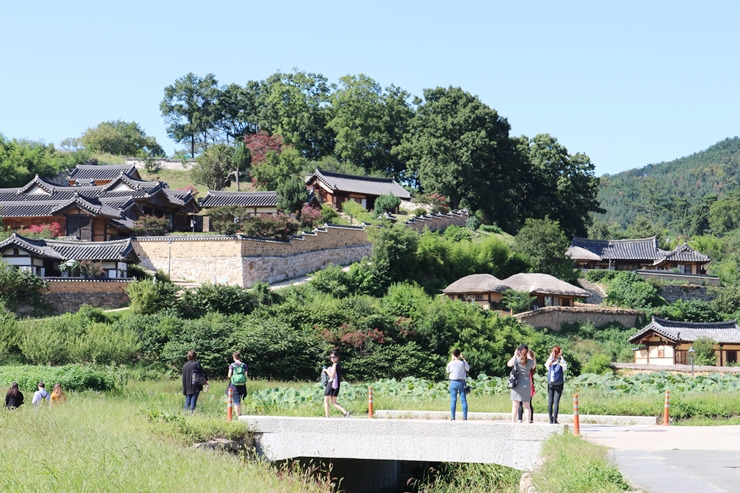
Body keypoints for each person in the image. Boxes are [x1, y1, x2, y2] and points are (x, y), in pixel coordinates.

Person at [507, 344, 535, 423]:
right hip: (526, 384)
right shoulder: (530, 362)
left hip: (516, 384)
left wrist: (514, 355)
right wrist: (529, 355)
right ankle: (527, 422)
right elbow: (533, 366)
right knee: (527, 406)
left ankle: (513, 422)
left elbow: (508, 364)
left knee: (515, 405)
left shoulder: (516, 360)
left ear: (519, 351)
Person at [322, 350, 350, 418]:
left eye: (334, 357)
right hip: (336, 385)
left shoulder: (334, 365)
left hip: (331, 384)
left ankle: (327, 416)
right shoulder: (339, 365)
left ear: (337, 357)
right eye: (331, 357)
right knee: (334, 402)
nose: (332, 358)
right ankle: (345, 412)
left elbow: (332, 375)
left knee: (326, 400)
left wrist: (326, 370)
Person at [545, 346, 567, 424]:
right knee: (556, 402)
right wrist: (561, 356)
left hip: (551, 384)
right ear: (560, 352)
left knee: (550, 401)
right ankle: (555, 419)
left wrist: (551, 357)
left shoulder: (550, 361)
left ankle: (550, 419)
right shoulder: (561, 361)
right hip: (559, 384)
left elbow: (546, 366)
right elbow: (565, 368)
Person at [446, 348, 470, 421]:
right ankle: (465, 417)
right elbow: (468, 369)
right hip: (462, 382)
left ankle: (453, 417)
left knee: (453, 400)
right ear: (459, 355)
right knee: (463, 400)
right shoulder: (462, 363)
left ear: (453, 355)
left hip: (453, 382)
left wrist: (451, 360)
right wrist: (463, 358)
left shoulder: (451, 363)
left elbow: (448, 371)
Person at [517, 349, 537, 423]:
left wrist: (530, 356)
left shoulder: (531, 363)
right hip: (526, 383)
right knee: (521, 402)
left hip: (528, 383)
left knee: (527, 403)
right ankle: (520, 418)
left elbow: (533, 366)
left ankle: (529, 418)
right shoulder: (524, 362)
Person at [227, 351, 248, 417]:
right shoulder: (244, 365)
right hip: (242, 385)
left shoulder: (232, 365)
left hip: (234, 385)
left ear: (234, 357)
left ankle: (237, 415)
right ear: (240, 357)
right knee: (239, 400)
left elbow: (229, 375)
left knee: (236, 401)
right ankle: (240, 413)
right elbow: (246, 376)